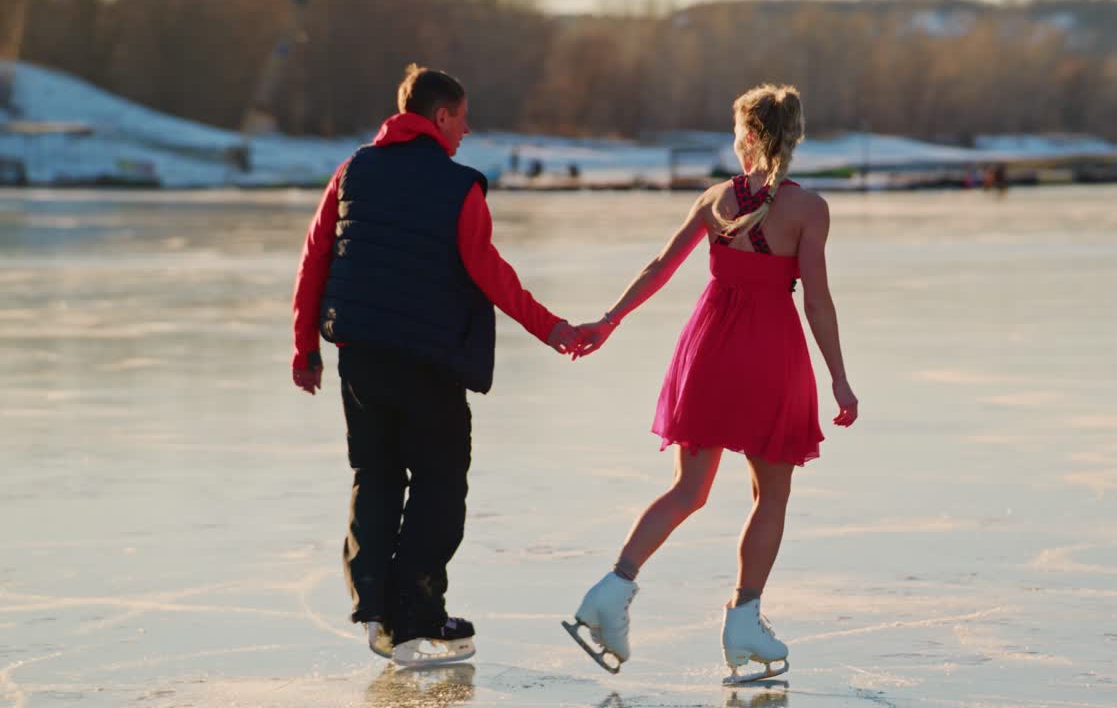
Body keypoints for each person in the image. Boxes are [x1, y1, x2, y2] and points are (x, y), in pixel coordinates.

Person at [562, 84, 859, 683]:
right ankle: (743, 622)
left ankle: (610, 591)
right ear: (792, 139)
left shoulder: (714, 200)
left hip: (708, 354)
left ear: (746, 138)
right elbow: (818, 303)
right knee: (769, 495)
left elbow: (658, 269)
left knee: (688, 491)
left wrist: (608, 321)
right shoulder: (808, 210)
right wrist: (839, 381)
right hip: (771, 357)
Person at [291, 64, 580, 667]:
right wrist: (552, 329)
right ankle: (417, 615)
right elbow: (490, 272)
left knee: (375, 474)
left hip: (361, 357)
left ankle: (374, 608)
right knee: (439, 483)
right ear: (439, 116)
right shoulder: (459, 187)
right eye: (462, 118)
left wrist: (305, 348)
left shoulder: (353, 171)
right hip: (428, 364)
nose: (467, 130)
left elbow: (316, 255)